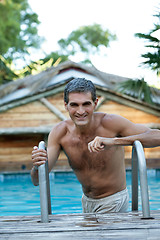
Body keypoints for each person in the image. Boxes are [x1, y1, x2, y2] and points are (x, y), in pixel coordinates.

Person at [31, 78, 160, 214]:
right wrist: (36, 166)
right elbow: (37, 180)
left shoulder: (110, 123)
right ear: (66, 105)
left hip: (114, 200)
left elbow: (157, 136)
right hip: (87, 201)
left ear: (95, 103)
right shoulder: (59, 132)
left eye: (86, 104)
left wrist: (114, 141)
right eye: (74, 105)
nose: (81, 111)